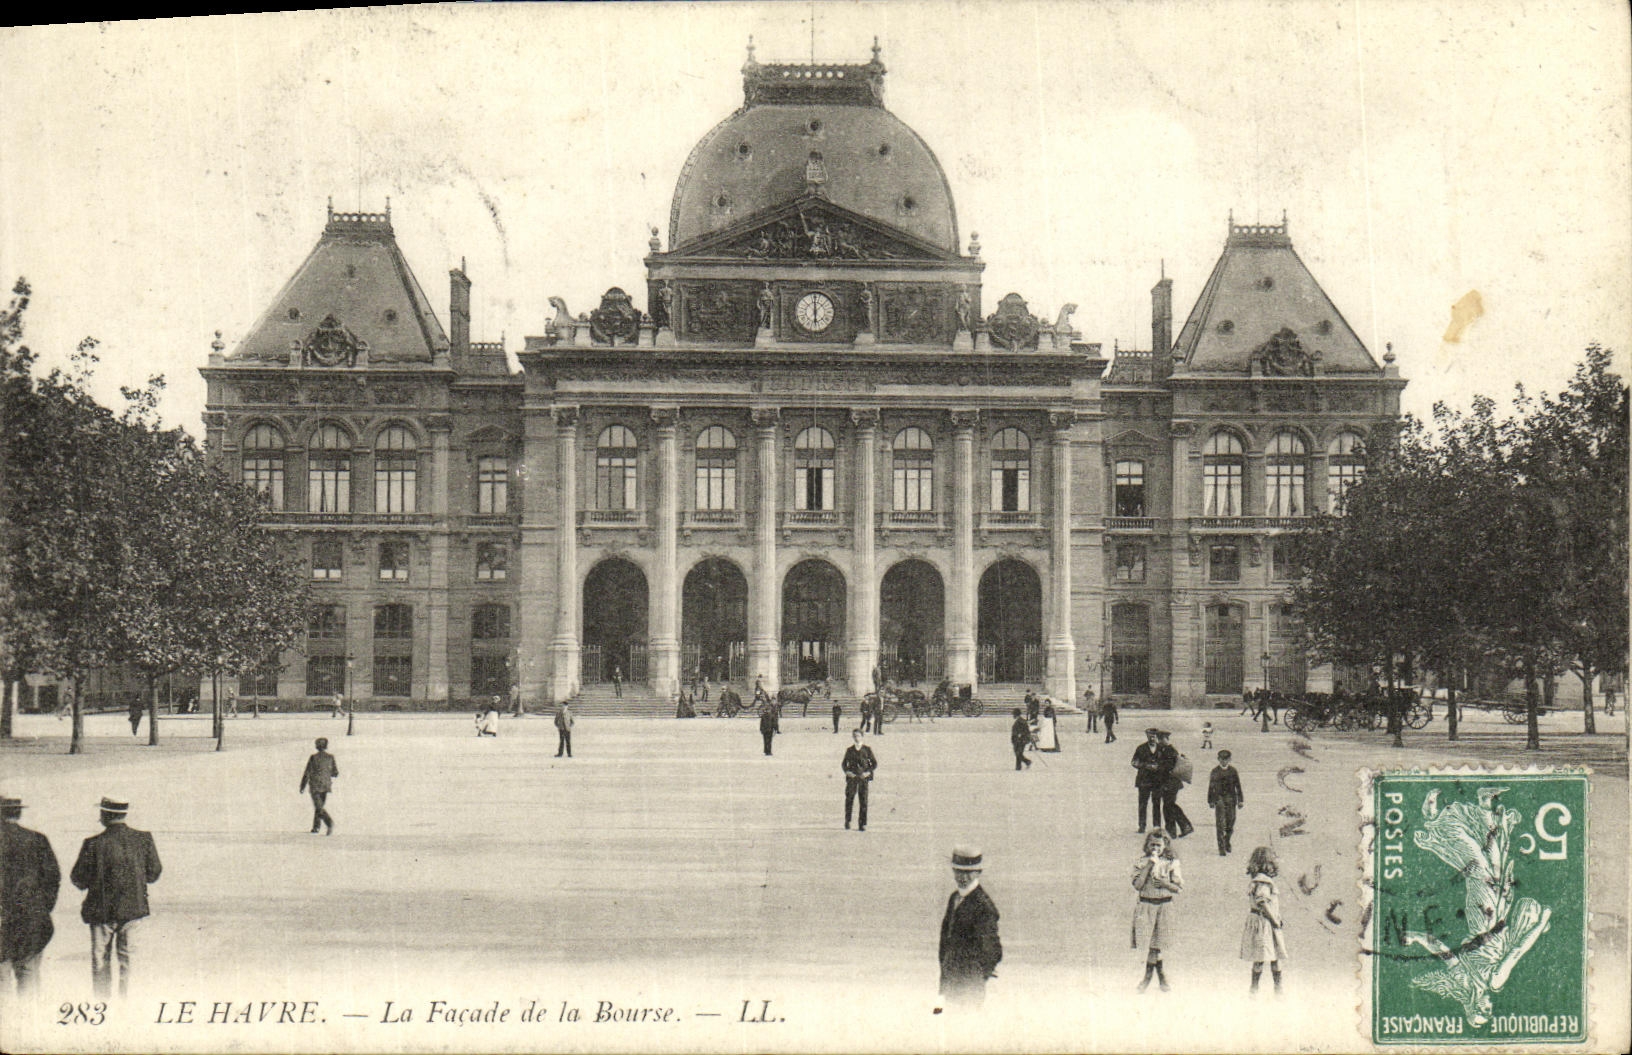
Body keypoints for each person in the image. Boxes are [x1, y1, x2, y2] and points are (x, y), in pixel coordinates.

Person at [70, 797, 162, 997]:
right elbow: (154, 873)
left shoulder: (92, 843)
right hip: (133, 909)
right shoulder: (144, 839)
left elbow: (78, 879)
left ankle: (102, 1007)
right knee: (129, 961)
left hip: (100, 911)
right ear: (124, 814)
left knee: (100, 962)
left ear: (104, 815)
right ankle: (125, 1008)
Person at [1, 795, 60, 994]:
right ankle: (28, 1021)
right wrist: (42, 909)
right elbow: (53, 879)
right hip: (32, 918)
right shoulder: (38, 839)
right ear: (18, 812)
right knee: (28, 973)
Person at [938, 846, 1002, 1007]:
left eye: (968, 872)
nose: (963, 877)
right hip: (949, 982)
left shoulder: (984, 906)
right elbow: (946, 940)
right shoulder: (954, 898)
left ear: (978, 872)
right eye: (958, 871)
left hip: (969, 987)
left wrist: (976, 977)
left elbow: (993, 951)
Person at [1131, 829, 1182, 992]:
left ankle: (1148, 978)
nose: (1155, 848)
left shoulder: (1171, 862)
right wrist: (1150, 865)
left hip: (1164, 906)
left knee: (1156, 945)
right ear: (1147, 845)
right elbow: (1137, 885)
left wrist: (1164, 883)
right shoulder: (1142, 862)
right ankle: (1161, 977)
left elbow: (1178, 888)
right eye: (1152, 845)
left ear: (1165, 845)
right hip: (1147, 906)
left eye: (1158, 845)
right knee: (1153, 944)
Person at [1241, 846, 1288, 994]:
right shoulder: (1264, 882)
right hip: (1265, 923)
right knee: (1266, 956)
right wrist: (1274, 920)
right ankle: (1271, 989)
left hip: (1262, 922)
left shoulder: (1257, 880)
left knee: (1267, 955)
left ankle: (1259, 988)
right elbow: (1263, 903)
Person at [1207, 750, 1245, 856]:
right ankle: (1221, 847)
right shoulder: (1215, 771)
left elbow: (1238, 786)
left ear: (1229, 760)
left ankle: (1227, 840)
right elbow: (1211, 786)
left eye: (1226, 759)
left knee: (1230, 822)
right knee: (1220, 824)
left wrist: (1240, 800)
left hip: (1231, 799)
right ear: (1218, 759)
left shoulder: (1233, 771)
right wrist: (1210, 800)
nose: (1224, 761)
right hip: (1219, 799)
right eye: (1221, 759)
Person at [1157, 730, 1194, 838]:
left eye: (1161, 739)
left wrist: (1157, 767)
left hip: (1171, 783)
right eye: (1159, 739)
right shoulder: (1166, 750)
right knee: (1169, 805)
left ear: (1166, 739)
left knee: (1169, 805)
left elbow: (1167, 767)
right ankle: (1177, 829)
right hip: (1169, 783)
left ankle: (1180, 827)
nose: (1159, 741)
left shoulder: (1170, 751)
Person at [298, 738, 339, 834]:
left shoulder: (313, 757)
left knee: (319, 806)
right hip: (325, 785)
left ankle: (329, 823)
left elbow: (307, 772)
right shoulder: (330, 757)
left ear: (317, 746)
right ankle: (316, 827)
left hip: (315, 785)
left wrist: (302, 786)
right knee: (319, 806)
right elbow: (335, 773)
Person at [841, 729, 877, 831]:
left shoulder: (867, 749)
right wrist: (847, 772)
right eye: (855, 736)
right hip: (852, 778)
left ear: (862, 737)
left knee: (863, 801)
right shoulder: (850, 750)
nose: (856, 738)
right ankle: (848, 821)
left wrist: (868, 773)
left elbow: (874, 763)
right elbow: (844, 764)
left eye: (858, 736)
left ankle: (862, 823)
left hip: (863, 778)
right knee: (849, 799)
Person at [1132, 728, 1164, 832]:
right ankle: (1142, 825)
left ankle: (1157, 825)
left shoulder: (1162, 748)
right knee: (1142, 803)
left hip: (1157, 780)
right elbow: (1134, 762)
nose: (1152, 738)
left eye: (1154, 736)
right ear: (1147, 736)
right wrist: (1146, 766)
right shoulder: (1141, 748)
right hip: (1144, 780)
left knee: (1157, 803)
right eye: (1150, 736)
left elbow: (1167, 762)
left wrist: (1159, 767)